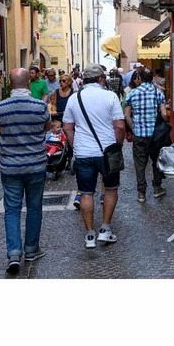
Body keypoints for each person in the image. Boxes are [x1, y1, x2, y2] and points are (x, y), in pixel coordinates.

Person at [63, 64, 125, 249]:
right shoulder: (110, 96)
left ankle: (90, 234)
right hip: (107, 151)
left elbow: (67, 127)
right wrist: (118, 145)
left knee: (86, 192)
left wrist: (76, 146)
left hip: (83, 152)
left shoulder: (74, 98)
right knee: (111, 189)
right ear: (101, 79)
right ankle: (105, 229)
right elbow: (120, 126)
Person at [0, 67, 51, 274]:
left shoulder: (1, 107)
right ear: (29, 83)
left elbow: (2, 128)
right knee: (34, 207)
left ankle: (13, 253)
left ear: (10, 84)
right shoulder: (39, 106)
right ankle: (31, 250)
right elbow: (46, 127)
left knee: (11, 210)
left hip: (10, 166)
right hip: (35, 164)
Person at [124, 68, 168, 203]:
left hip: (139, 135)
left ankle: (141, 193)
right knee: (156, 161)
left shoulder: (132, 93)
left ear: (140, 79)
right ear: (151, 79)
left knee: (140, 164)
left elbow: (127, 115)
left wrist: (134, 128)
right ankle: (157, 187)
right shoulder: (157, 92)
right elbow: (164, 114)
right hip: (155, 135)